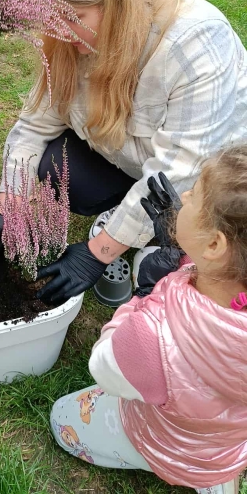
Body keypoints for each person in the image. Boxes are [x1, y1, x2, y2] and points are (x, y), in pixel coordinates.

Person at [0, 0, 247, 303]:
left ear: (116, 4)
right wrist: (10, 208)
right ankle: (134, 222)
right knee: (56, 165)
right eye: (55, 18)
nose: (61, 33)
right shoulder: (70, 36)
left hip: (208, 179)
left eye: (76, 17)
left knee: (190, 234)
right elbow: (33, 126)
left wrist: (99, 250)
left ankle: (166, 244)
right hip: (133, 156)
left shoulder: (193, 43)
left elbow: (179, 169)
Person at [49, 146, 247, 494]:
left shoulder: (153, 336)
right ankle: (217, 478)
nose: (183, 195)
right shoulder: (231, 284)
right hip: (226, 444)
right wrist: (187, 254)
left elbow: (105, 365)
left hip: (165, 441)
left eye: (195, 195)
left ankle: (168, 463)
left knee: (62, 418)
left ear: (215, 245)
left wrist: (145, 297)